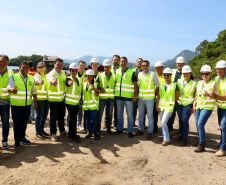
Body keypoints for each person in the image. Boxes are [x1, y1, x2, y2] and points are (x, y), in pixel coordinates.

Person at [7, 61, 38, 148]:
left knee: (24, 123)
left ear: (28, 69)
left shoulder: (31, 78)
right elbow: (8, 87)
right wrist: (12, 90)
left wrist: (36, 102)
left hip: (27, 105)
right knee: (17, 123)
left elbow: (34, 91)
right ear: (19, 68)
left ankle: (22, 138)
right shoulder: (14, 77)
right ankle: (17, 141)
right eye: (23, 67)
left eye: (26, 67)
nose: (24, 69)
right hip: (16, 105)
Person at [192, 65, 218, 152]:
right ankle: (201, 140)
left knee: (200, 124)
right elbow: (196, 95)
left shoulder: (214, 84)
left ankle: (201, 145)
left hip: (207, 107)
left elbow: (216, 96)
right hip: (198, 106)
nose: (204, 75)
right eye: (203, 73)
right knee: (197, 124)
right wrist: (194, 105)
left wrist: (210, 95)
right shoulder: (199, 83)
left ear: (210, 74)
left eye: (206, 74)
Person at [167, 56, 194, 132]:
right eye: (178, 63)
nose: (179, 65)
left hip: (181, 98)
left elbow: (191, 85)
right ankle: (170, 126)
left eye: (181, 63)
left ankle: (181, 129)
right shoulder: (173, 71)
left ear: (184, 64)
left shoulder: (188, 73)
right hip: (172, 96)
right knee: (171, 113)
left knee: (180, 115)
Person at [114, 56, 138, 138]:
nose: (123, 63)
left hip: (128, 98)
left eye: (124, 61)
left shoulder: (131, 72)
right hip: (119, 97)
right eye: (121, 61)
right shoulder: (117, 72)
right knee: (119, 114)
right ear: (120, 62)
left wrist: (135, 96)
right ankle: (120, 129)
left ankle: (130, 130)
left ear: (127, 62)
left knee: (130, 115)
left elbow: (135, 85)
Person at [135, 60, 159, 140]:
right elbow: (138, 86)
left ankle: (150, 132)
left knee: (150, 116)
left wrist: (154, 95)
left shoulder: (153, 75)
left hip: (149, 99)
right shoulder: (139, 74)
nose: (144, 67)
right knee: (141, 115)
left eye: (146, 65)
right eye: (143, 66)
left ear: (149, 66)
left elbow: (157, 86)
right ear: (141, 66)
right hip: (141, 99)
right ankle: (140, 129)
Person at [156, 67, 179, 146]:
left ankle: (166, 139)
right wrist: (157, 105)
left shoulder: (175, 85)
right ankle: (164, 136)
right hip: (161, 106)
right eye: (165, 75)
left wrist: (171, 102)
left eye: (167, 75)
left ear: (170, 76)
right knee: (163, 123)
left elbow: (177, 96)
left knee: (163, 122)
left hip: (169, 107)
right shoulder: (161, 85)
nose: (166, 76)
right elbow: (159, 96)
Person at [176, 65, 197, 146]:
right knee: (180, 120)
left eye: (187, 73)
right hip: (179, 104)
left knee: (185, 120)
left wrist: (194, 105)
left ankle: (185, 137)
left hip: (188, 104)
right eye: (184, 73)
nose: (185, 75)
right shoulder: (179, 81)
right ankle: (181, 134)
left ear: (190, 73)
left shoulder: (194, 83)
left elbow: (196, 96)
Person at [209, 60, 226, 157]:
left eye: (221, 69)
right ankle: (222, 143)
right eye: (217, 69)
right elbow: (214, 89)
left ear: (225, 70)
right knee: (221, 125)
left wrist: (215, 96)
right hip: (220, 106)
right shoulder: (217, 79)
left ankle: (223, 149)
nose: (219, 70)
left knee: (224, 126)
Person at [47, 58, 67, 141]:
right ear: (54, 65)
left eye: (61, 65)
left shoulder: (63, 73)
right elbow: (50, 80)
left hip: (61, 99)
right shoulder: (51, 74)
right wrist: (53, 82)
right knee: (53, 117)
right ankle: (53, 133)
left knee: (62, 116)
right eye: (57, 64)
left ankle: (62, 130)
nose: (59, 66)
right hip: (53, 100)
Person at [66, 60, 86, 132]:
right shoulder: (74, 74)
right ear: (78, 66)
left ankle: (79, 124)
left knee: (80, 111)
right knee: (70, 113)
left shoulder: (85, 75)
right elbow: (68, 82)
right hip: (72, 99)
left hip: (80, 96)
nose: (82, 67)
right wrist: (69, 83)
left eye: (83, 66)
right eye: (80, 65)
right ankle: (67, 125)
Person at [65, 63, 82, 143]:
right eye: (72, 70)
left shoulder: (78, 79)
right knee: (74, 119)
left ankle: (71, 134)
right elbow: (68, 83)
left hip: (76, 103)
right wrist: (69, 83)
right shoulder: (68, 78)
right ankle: (74, 135)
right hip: (70, 103)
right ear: (70, 70)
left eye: (75, 70)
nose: (74, 72)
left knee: (72, 119)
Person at [98, 59, 115, 135]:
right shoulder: (100, 75)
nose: (106, 69)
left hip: (111, 98)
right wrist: (100, 89)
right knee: (100, 114)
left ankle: (108, 129)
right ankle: (98, 129)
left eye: (107, 67)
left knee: (109, 114)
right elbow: (96, 85)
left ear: (110, 67)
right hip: (102, 98)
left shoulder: (114, 76)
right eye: (105, 67)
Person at [82, 69, 100, 140]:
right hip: (86, 105)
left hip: (93, 105)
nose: (89, 77)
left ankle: (95, 133)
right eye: (88, 76)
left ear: (93, 76)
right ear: (86, 76)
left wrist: (95, 89)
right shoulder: (84, 84)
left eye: (91, 76)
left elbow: (98, 95)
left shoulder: (96, 84)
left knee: (94, 119)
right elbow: (82, 94)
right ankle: (89, 132)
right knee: (87, 119)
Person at [0, 55, 13, 149]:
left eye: (4, 62)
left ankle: (5, 141)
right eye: (0, 61)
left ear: (7, 63)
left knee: (5, 123)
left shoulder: (10, 72)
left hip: (5, 102)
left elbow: (11, 84)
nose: (2, 63)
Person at [34, 62, 50, 138]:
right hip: (39, 99)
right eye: (39, 67)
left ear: (45, 67)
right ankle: (37, 131)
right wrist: (39, 82)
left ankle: (42, 129)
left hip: (46, 99)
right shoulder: (37, 76)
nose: (41, 68)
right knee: (39, 116)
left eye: (42, 67)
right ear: (37, 68)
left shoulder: (46, 76)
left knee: (45, 116)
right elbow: (36, 82)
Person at [153, 61, 165, 133]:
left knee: (163, 116)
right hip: (154, 99)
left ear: (163, 68)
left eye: (160, 67)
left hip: (163, 100)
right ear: (155, 69)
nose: (159, 69)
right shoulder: (153, 76)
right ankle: (155, 127)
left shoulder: (166, 76)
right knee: (154, 114)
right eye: (157, 68)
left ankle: (165, 129)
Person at [110, 55, 121, 130]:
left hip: (118, 92)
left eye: (117, 60)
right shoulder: (109, 68)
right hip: (109, 92)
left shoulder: (121, 69)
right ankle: (106, 122)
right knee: (109, 108)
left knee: (117, 109)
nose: (116, 61)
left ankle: (115, 123)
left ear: (119, 61)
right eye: (114, 60)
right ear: (112, 61)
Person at [133, 58, 143, 126]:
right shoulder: (132, 71)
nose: (139, 63)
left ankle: (142, 124)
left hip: (142, 94)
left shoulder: (145, 72)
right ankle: (132, 122)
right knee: (133, 110)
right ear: (136, 63)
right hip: (134, 94)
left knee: (142, 111)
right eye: (138, 62)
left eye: (140, 62)